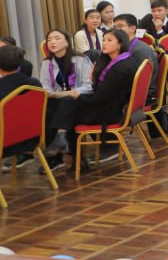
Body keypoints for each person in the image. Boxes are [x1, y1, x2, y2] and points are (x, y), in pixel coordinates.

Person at [43, 30, 139, 164]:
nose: (104, 43)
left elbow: (100, 98)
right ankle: (64, 143)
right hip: (113, 106)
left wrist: (80, 94)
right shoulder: (125, 60)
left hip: (109, 113)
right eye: (104, 40)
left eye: (109, 40)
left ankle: (71, 156)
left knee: (63, 109)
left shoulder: (119, 68)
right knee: (65, 104)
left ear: (120, 44)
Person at [37, 30, 93, 165]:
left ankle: (71, 155)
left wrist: (69, 93)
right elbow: (45, 87)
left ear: (67, 42)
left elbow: (89, 85)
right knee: (46, 111)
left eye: (57, 38)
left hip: (81, 101)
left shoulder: (80, 59)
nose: (52, 42)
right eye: (49, 39)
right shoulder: (47, 63)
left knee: (67, 104)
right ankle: (57, 155)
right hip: (58, 100)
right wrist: (56, 94)